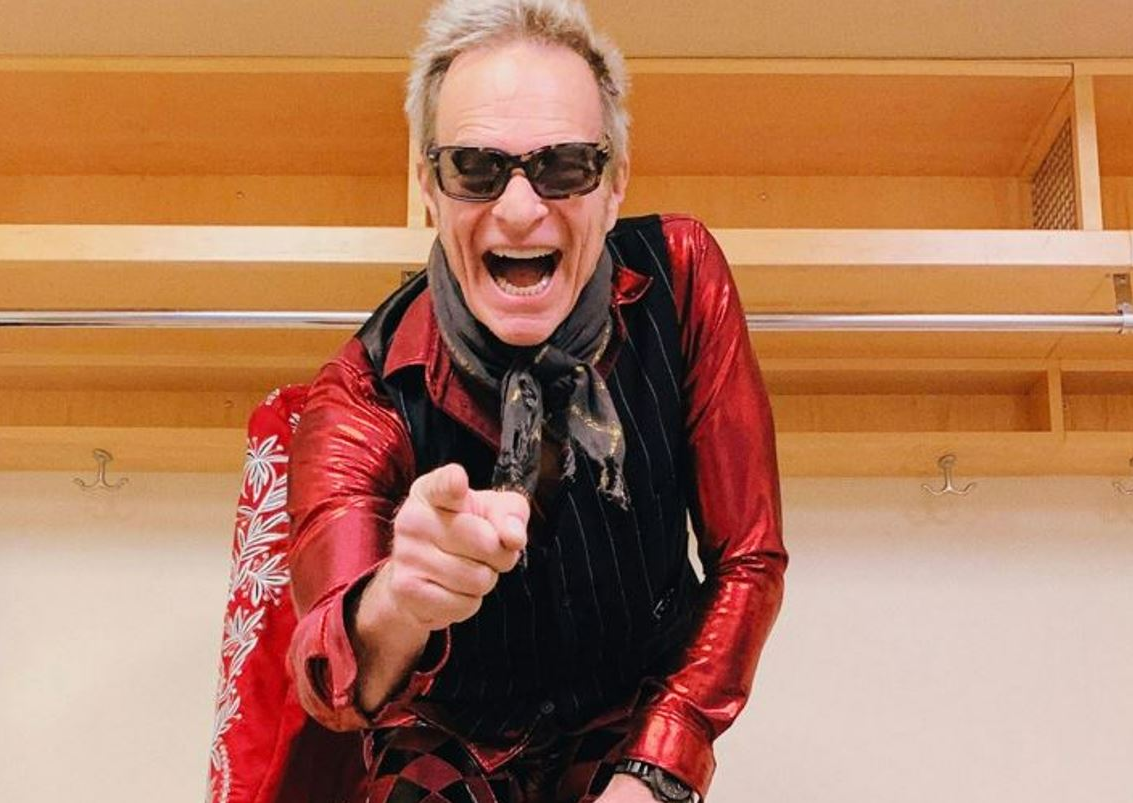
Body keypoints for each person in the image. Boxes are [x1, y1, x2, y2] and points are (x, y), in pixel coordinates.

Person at [286, 1, 787, 800]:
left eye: (565, 166)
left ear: (614, 184)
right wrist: (400, 599)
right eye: (474, 168)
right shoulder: (362, 392)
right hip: (448, 733)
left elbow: (747, 559)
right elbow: (332, 681)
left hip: (635, 712)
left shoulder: (683, 275)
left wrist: (660, 764)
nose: (520, 210)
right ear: (429, 188)